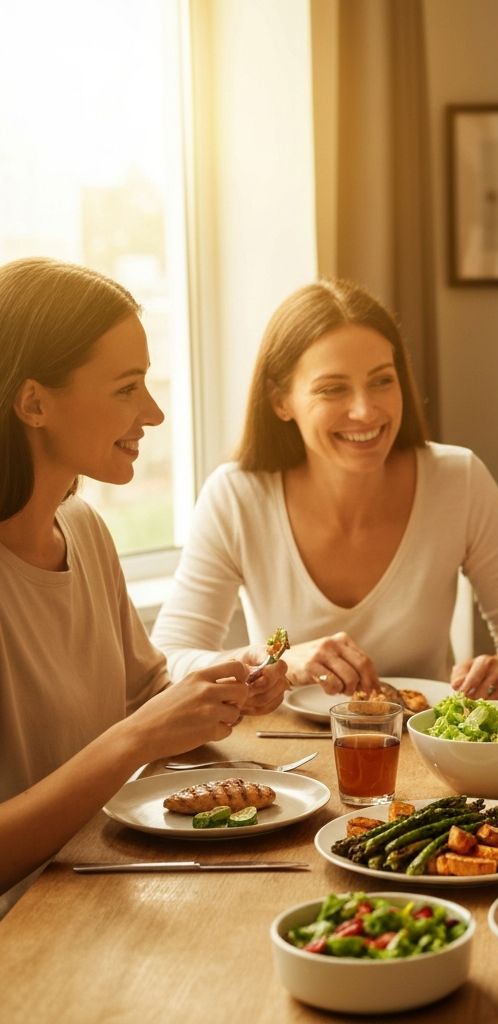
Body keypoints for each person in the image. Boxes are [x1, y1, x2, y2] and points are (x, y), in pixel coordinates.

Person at [0, 257, 288, 917]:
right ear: (34, 401)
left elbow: (146, 701)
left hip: (102, 893)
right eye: (128, 387)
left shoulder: (84, 530)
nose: (153, 413)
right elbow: (133, 733)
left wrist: (218, 688)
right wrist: (134, 739)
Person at [151, 277, 498, 700]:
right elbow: (169, 658)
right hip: (284, 753)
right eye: (332, 389)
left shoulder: (459, 479)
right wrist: (276, 662)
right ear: (281, 401)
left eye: (382, 380)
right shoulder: (236, 497)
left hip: (423, 749)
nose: (365, 411)